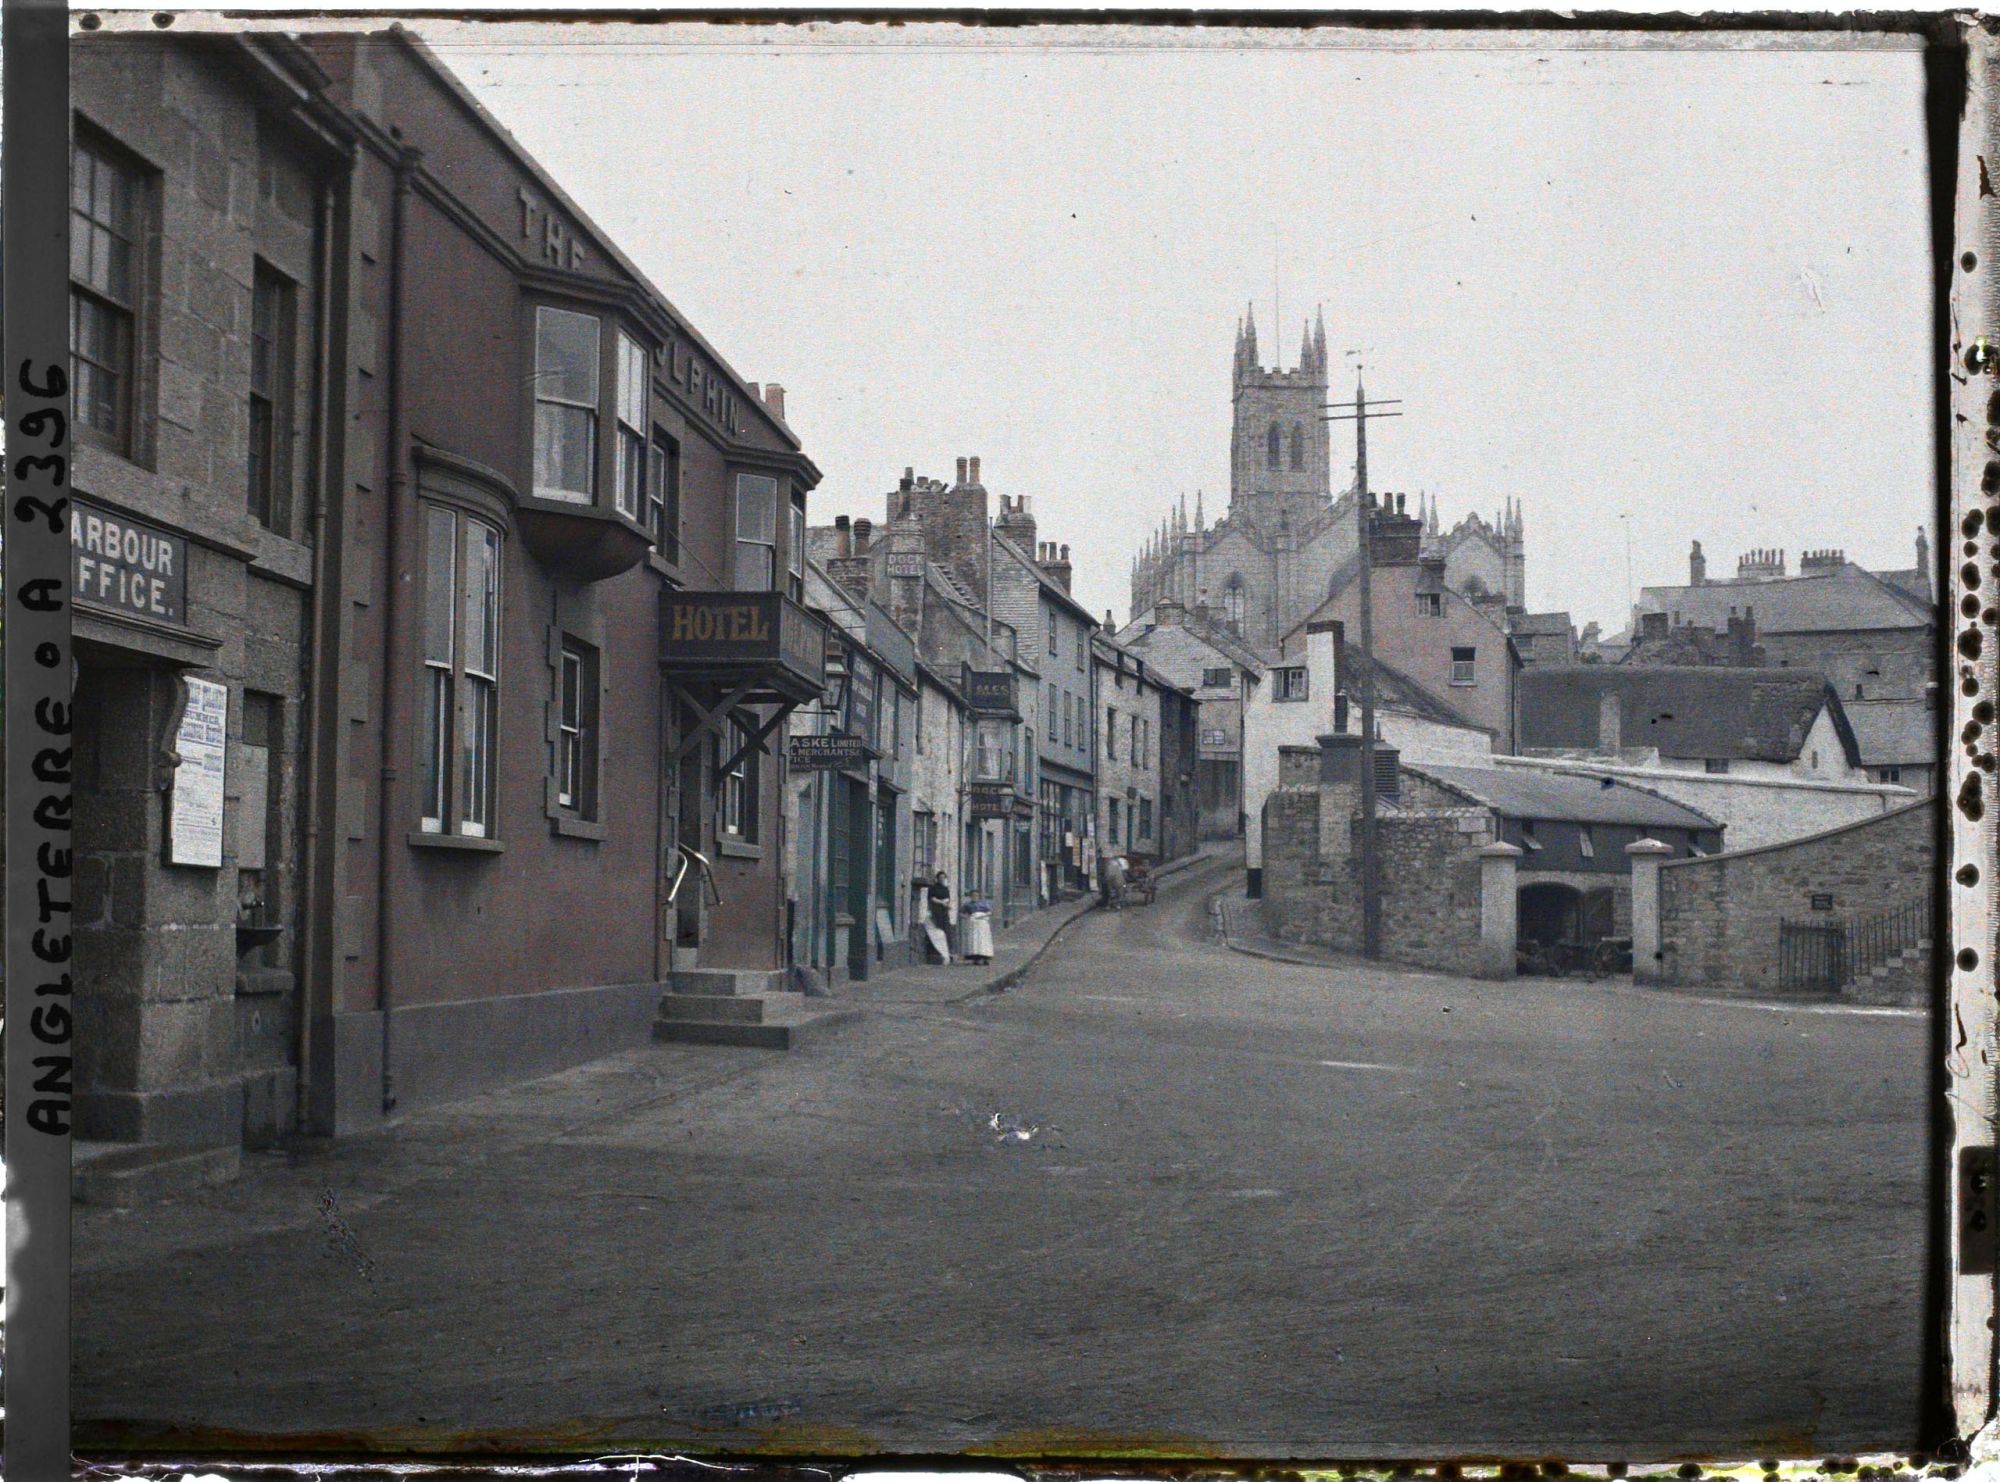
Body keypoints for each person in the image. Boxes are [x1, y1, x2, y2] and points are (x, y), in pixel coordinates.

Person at [923, 869, 953, 964]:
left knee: (945, 930)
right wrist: (941, 902)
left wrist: (947, 905)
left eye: (943, 877)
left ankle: (946, 952)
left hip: (944, 911)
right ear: (937, 878)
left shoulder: (945, 888)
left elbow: (948, 899)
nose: (942, 879)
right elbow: (931, 898)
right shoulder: (933, 888)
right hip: (936, 910)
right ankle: (938, 952)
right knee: (937, 929)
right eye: (940, 877)